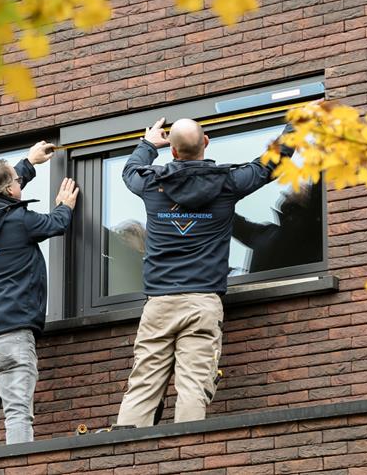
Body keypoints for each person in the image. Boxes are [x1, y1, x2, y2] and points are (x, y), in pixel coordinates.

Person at [116, 118, 294, 427]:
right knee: (193, 386)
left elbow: (129, 172)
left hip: (159, 303)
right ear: (207, 142)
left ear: (172, 151)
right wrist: (297, 126)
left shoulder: (151, 183)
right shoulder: (227, 183)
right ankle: (188, 456)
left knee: (143, 385)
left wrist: (147, 144)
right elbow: (269, 164)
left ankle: (124, 458)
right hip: (202, 303)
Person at [0, 141, 79, 450]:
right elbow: (57, 223)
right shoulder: (21, 221)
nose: (19, 182)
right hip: (11, 336)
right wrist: (64, 204)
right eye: (16, 180)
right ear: (9, 190)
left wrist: (29, 163)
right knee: (18, 414)